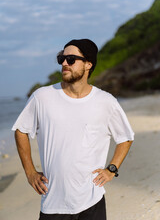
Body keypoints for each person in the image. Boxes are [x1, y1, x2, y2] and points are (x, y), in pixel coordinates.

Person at [12, 39, 134, 220]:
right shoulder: (42, 97)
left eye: (71, 59)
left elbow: (125, 137)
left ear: (88, 64)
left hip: (92, 200)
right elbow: (21, 130)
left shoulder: (105, 101)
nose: (64, 63)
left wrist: (111, 169)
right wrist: (30, 172)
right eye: (61, 58)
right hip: (53, 202)